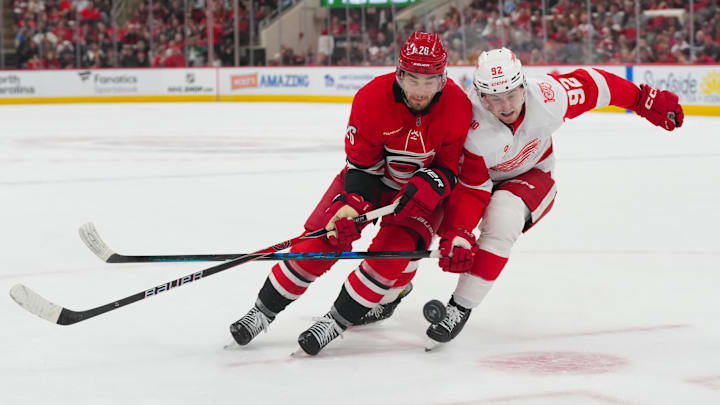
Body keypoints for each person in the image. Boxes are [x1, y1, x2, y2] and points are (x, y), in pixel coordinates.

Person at [229, 32, 473, 354]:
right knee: (320, 241)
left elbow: (450, 169)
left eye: (429, 81)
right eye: (413, 79)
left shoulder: (458, 107)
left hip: (420, 196)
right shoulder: (371, 99)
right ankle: (261, 312)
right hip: (369, 181)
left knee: (390, 255)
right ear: (400, 73)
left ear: (442, 79)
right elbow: (361, 166)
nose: (420, 91)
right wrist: (352, 205)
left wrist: (430, 184)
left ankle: (336, 321)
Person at [428, 47, 684, 348]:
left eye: (512, 93)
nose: (506, 105)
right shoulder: (472, 125)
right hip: (482, 179)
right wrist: (458, 231)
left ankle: (460, 307)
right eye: (495, 98)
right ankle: (392, 290)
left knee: (503, 219)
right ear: (480, 97)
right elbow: (473, 186)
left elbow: (595, 85)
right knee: (429, 224)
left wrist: (642, 99)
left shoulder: (548, 97)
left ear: (524, 85)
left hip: (533, 174)